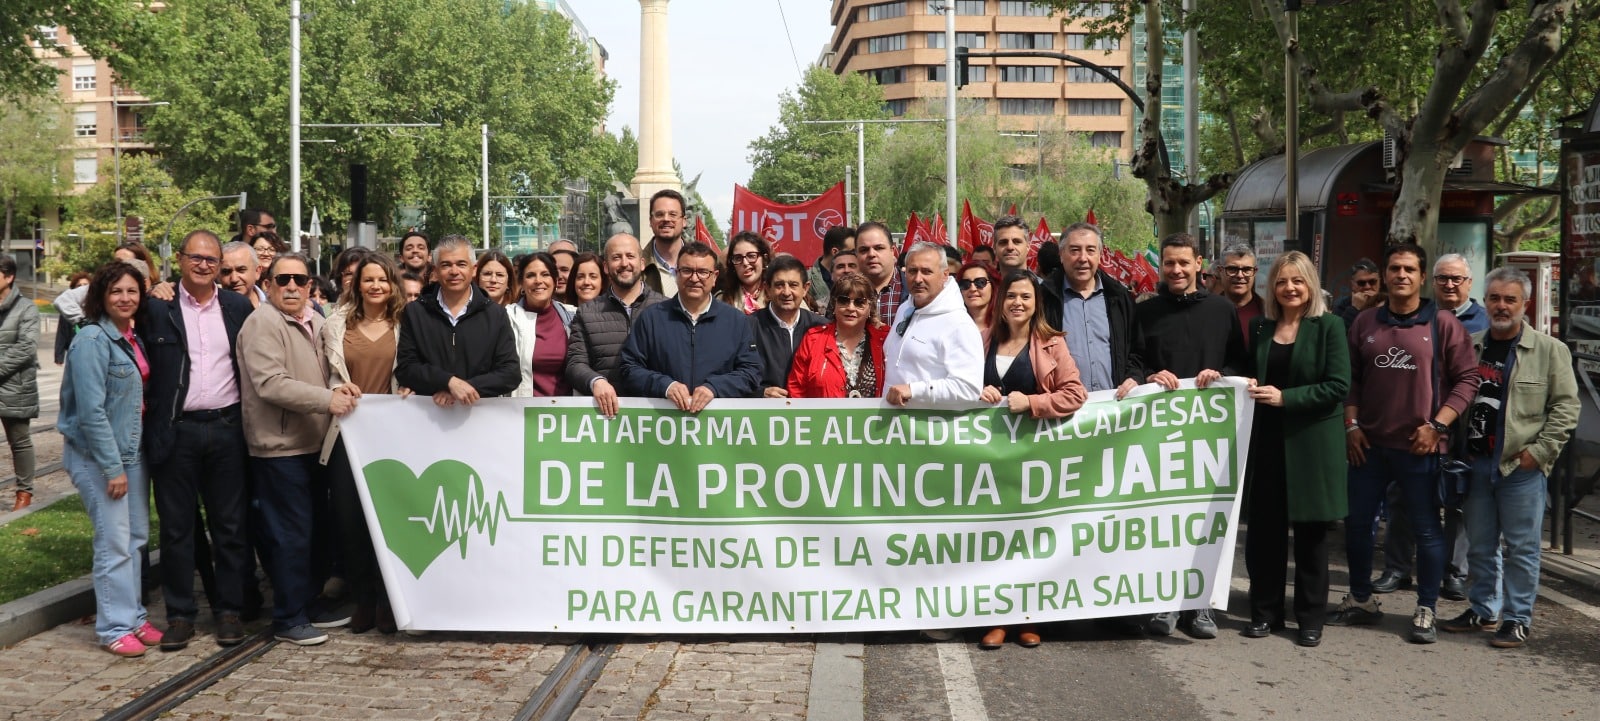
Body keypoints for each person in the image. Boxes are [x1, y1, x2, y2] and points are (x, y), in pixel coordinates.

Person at [1335, 243, 1479, 644]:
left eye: (1409, 269)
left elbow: (1468, 380)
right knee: (1359, 526)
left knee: (1427, 530)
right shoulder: (1364, 323)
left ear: (1421, 276)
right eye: (1395, 268)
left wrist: (1438, 425)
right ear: (1385, 274)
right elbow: (1352, 380)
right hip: (1368, 446)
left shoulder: (1443, 323)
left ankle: (1425, 609)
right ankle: (1361, 600)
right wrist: (1351, 426)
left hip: (1421, 447)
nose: (1401, 275)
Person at [1439, 267, 1579, 648]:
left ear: (1525, 304)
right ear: (1486, 301)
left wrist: (1540, 453)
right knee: (1481, 546)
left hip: (1521, 466)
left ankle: (1517, 618)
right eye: (1495, 298)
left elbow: (1566, 408)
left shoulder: (1551, 351)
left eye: (1510, 299)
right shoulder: (1471, 344)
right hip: (1477, 464)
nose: (1501, 306)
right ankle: (1484, 610)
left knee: (1522, 548)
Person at [140, 229, 256, 650]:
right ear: (181, 260)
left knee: (230, 526)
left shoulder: (237, 306)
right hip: (177, 430)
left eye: (212, 260)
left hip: (226, 429)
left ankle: (228, 610)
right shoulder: (158, 308)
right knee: (176, 530)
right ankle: (180, 614)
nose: (204, 265)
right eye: (196, 258)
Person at [238, 253, 359, 646]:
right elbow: (270, 383)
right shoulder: (262, 324)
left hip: (314, 445)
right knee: (290, 535)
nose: (291, 286)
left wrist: (343, 389)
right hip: (280, 447)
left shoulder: (317, 321)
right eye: (283, 279)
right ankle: (288, 616)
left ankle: (307, 603)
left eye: (299, 280)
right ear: (269, 284)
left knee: (314, 531)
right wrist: (327, 400)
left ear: (311, 286)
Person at [1131, 233, 1247, 639]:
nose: (1176, 271)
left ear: (1200, 263)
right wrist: (1146, 376)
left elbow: (1238, 361)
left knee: (1207, 521)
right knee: (1163, 520)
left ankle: (1201, 607)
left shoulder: (1222, 310)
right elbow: (1133, 361)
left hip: (1209, 436)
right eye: (1169, 263)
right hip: (1158, 435)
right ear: (1160, 266)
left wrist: (1222, 375)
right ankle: (1163, 603)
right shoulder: (1144, 313)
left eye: (1184, 263)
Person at [1238, 251, 1349, 649]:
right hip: (1267, 444)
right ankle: (1264, 612)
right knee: (1265, 536)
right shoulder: (1261, 328)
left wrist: (1287, 398)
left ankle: (1310, 618)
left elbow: (1338, 386)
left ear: (1310, 285)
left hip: (1313, 446)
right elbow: (1250, 373)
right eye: (1282, 281)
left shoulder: (1330, 326)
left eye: (1297, 281)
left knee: (1311, 538)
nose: (1289, 288)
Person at [976, 270, 1087, 650]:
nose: (1017, 303)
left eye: (1025, 296)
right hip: (988, 460)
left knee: (1030, 538)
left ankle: (1029, 617)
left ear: (1036, 302)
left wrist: (1034, 403)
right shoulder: (982, 340)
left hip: (1035, 459)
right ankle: (996, 617)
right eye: (1011, 296)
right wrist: (978, 392)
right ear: (1000, 301)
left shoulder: (1052, 344)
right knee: (994, 541)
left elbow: (1075, 394)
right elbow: (959, 385)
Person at [58, 261, 162, 656]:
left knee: (135, 539)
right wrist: (112, 467)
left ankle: (133, 615)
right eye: (116, 291)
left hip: (131, 453)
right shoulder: (91, 341)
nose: (125, 298)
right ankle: (114, 626)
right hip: (98, 458)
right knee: (114, 542)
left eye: (132, 291)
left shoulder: (131, 337)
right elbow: (91, 412)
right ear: (101, 295)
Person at [1381, 252, 1489, 602]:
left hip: (1464, 426)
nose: (1450, 285)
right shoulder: (1416, 317)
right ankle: (1398, 567)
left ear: (1470, 284)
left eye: (1457, 279)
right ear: (1433, 281)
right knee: (1401, 497)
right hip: (1416, 427)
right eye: (1443, 278)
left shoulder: (1484, 321)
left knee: (1455, 499)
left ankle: (1453, 572)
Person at [320, 253, 408, 634]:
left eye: (382, 280)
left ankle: (389, 599)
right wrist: (336, 388)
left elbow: (415, 366)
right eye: (368, 280)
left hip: (392, 434)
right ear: (357, 285)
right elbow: (322, 374)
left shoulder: (407, 323)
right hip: (347, 433)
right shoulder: (335, 324)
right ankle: (364, 600)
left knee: (389, 521)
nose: (375, 286)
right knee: (350, 520)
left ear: (392, 285)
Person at [619, 242, 762, 410]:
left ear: (715, 277)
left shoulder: (736, 321)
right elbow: (628, 368)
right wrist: (665, 386)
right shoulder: (651, 318)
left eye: (703, 272)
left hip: (717, 429)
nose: (694, 279)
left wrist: (715, 387)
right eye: (687, 271)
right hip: (663, 426)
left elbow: (751, 372)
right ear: (676, 274)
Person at [395, 235, 521, 407]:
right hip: (428, 417)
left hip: (479, 417)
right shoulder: (415, 312)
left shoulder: (495, 314)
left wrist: (467, 387)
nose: (454, 271)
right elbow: (406, 368)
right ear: (436, 270)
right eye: (446, 265)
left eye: (461, 264)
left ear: (474, 269)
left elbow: (510, 374)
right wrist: (447, 382)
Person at [566, 234, 668, 417]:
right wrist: (596, 381)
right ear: (605, 267)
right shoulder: (587, 313)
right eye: (616, 257)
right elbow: (575, 363)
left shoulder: (667, 309)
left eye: (630, 256)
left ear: (642, 263)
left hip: (657, 417)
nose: (624, 263)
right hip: (605, 420)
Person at [883, 241, 983, 409]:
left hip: (931, 431)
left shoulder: (959, 324)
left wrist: (914, 390)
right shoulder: (905, 309)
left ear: (945, 275)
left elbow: (969, 388)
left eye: (927, 271)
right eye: (912, 271)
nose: (918, 279)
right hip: (895, 429)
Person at [788, 272, 888, 398]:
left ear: (870, 307)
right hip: (823, 417)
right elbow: (796, 389)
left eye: (859, 302)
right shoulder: (813, 339)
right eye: (843, 301)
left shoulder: (885, 340)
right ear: (834, 305)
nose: (851, 308)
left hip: (875, 418)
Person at [750, 255, 825, 398]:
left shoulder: (821, 327)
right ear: (767, 288)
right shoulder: (748, 327)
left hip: (812, 416)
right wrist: (760, 393)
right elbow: (734, 374)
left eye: (793, 285)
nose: (786, 292)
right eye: (779, 285)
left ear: (805, 288)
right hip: (762, 416)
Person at [0, 255, 39, 511]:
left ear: (8, 276)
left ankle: (24, 493)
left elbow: (26, 347)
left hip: (15, 385)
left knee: (19, 441)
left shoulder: (27, 308)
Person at [508, 252, 575, 397]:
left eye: (545, 274)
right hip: (524, 414)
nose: (538, 281)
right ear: (522, 283)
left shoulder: (573, 316)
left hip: (568, 414)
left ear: (555, 281)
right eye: (531, 275)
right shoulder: (507, 317)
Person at [855, 222, 905, 325]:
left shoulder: (912, 290)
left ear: (892, 251)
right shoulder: (844, 291)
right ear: (856, 255)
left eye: (879, 248)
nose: (871, 254)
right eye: (864, 250)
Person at [642, 189, 687, 296]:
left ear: (684, 221)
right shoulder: (637, 267)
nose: (666, 219)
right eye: (659, 214)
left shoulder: (706, 264)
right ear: (650, 221)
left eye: (673, 214)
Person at [714, 231, 772, 313]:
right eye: (738, 258)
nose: (745, 263)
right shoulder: (721, 300)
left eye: (751, 256)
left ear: (764, 259)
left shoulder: (777, 297)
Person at [1218, 245, 1265, 343]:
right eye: (1232, 269)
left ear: (1255, 272)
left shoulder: (1269, 312)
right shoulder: (1207, 312)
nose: (1240, 275)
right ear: (1220, 271)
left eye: (1246, 269)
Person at [809, 225, 856, 311]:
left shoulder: (861, 278)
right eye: (852, 251)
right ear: (835, 252)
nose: (856, 255)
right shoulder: (806, 281)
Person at [54, 271, 93, 365]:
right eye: (79, 285)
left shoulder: (95, 309)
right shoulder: (68, 311)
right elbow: (61, 333)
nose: (82, 288)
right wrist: (59, 356)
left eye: (85, 285)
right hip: (75, 352)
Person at [1332, 258, 1382, 326]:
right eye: (1361, 283)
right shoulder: (1342, 306)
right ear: (1353, 285)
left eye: (1372, 282)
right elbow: (1339, 333)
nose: (1367, 287)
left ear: (1379, 282)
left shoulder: (1389, 304)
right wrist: (1354, 309)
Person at [220, 241, 266, 308]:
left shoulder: (275, 305)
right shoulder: (213, 311)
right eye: (226, 272)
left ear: (257, 271)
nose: (234, 279)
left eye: (241, 270)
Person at [957, 261, 999, 335]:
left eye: (980, 282)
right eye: (965, 284)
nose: (972, 289)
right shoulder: (952, 326)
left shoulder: (1005, 325)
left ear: (993, 286)